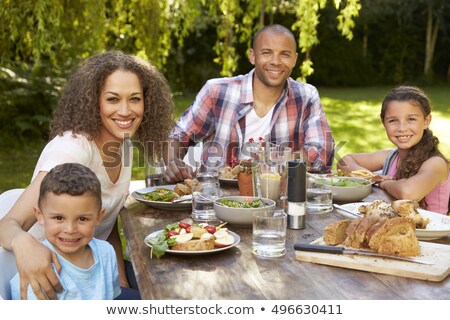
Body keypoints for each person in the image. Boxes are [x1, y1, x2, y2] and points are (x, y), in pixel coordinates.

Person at [0, 51, 174, 299]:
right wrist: (23, 244)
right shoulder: (73, 150)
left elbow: (107, 225)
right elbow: (6, 225)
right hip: (52, 286)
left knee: (167, 290)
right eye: (113, 99)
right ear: (94, 102)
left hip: (94, 272)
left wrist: (120, 286)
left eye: (134, 99)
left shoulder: (122, 145)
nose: (125, 111)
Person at [165, 24, 334, 182]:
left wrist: (278, 158)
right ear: (253, 56)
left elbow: (323, 152)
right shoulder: (216, 91)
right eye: (267, 52)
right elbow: (180, 133)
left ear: (295, 59)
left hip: (277, 204)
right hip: (218, 201)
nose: (275, 61)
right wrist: (173, 161)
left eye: (284, 54)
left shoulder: (306, 96)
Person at [10, 163, 121, 299]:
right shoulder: (37, 274)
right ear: (39, 215)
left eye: (82, 218)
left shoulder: (107, 253)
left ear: (98, 217)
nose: (70, 230)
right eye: (59, 218)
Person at [337, 86, 449, 214]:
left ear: (426, 121)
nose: (402, 128)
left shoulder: (436, 163)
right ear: (383, 123)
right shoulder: (391, 156)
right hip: (397, 230)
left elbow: (409, 193)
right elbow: (344, 162)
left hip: (431, 232)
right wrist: (373, 177)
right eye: (393, 120)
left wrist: (384, 183)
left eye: (411, 119)